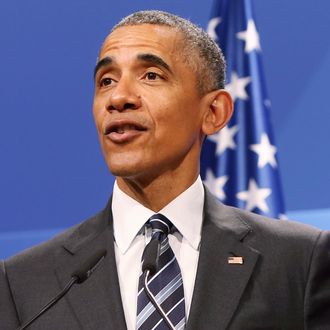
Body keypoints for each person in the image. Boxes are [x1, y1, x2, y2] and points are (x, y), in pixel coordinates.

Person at [1, 10, 329, 330]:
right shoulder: (24, 283)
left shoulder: (299, 262)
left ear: (214, 112)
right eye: (106, 80)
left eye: (151, 76)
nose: (119, 97)